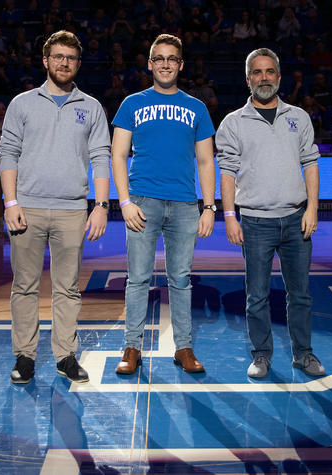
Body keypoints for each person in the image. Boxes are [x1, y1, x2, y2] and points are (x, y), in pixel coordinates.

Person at [0, 30, 111, 384]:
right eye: (58, 57)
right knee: (24, 286)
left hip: (72, 211)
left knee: (68, 288)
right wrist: (10, 202)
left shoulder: (91, 107)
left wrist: (101, 206)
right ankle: (25, 357)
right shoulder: (22, 103)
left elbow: (101, 157)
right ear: (45, 61)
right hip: (27, 208)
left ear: (78, 64)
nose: (64, 63)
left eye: (71, 58)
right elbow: (8, 153)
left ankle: (65, 356)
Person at [216, 48, 325, 379]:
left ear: (279, 77)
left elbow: (310, 164)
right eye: (257, 73)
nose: (264, 78)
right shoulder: (233, 122)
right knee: (257, 295)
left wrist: (312, 208)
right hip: (255, 221)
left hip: (296, 219)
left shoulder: (299, 117)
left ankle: (303, 354)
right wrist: (230, 216)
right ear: (248, 79)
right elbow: (227, 172)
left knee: (301, 294)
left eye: (269, 72)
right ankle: (261, 355)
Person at [111, 34, 216, 375]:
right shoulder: (131, 104)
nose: (166, 64)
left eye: (172, 58)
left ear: (180, 65)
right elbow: (118, 154)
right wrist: (124, 201)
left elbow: (205, 161)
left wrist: (209, 207)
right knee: (138, 279)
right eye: (160, 58)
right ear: (150, 64)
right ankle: (132, 347)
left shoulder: (196, 107)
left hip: (185, 205)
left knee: (181, 280)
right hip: (143, 202)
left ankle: (183, 348)